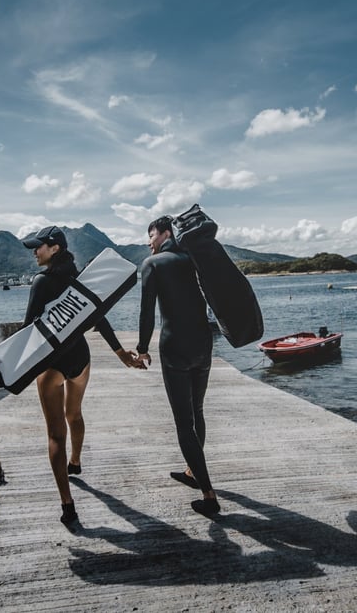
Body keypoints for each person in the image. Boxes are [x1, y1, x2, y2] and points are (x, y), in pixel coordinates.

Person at [20, 225, 140, 526]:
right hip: (81, 358)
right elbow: (98, 316)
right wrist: (120, 352)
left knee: (55, 434)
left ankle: (67, 504)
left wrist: (15, 368)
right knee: (74, 414)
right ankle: (75, 462)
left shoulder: (41, 281)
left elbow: (28, 329)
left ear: (54, 249)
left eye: (38, 247)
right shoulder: (79, 279)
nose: (35, 252)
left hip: (53, 364)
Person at [133, 215, 220, 516]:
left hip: (175, 348)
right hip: (203, 344)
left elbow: (147, 312)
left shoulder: (152, 264)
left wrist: (142, 349)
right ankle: (192, 472)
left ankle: (209, 495)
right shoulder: (193, 258)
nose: (149, 241)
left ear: (166, 233)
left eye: (152, 235)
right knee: (198, 411)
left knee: (184, 422)